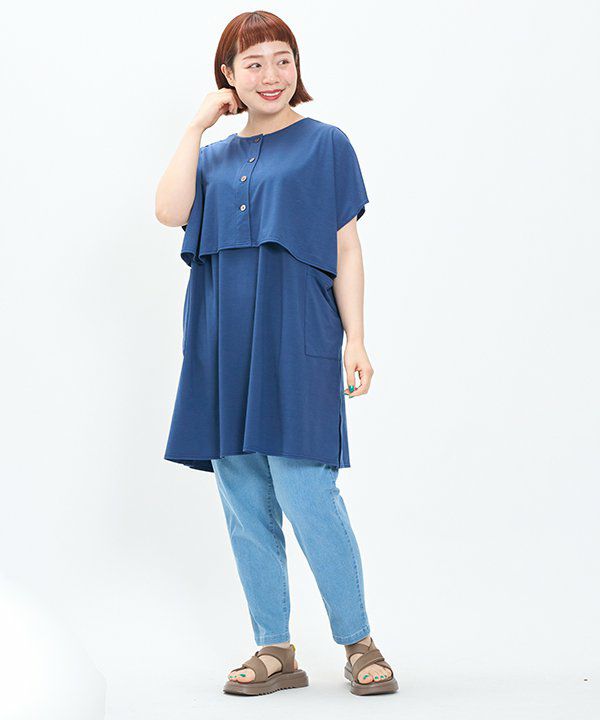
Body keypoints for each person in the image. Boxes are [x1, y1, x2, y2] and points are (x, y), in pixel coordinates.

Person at [155, 10, 397, 697]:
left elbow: (346, 246)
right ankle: (275, 647)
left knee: (306, 489)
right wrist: (196, 126)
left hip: (299, 337)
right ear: (227, 76)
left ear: (297, 67)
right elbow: (169, 212)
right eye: (253, 63)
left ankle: (358, 641)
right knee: (242, 495)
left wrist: (356, 338)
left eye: (282, 59)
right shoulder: (210, 159)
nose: (271, 75)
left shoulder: (326, 144)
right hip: (221, 341)